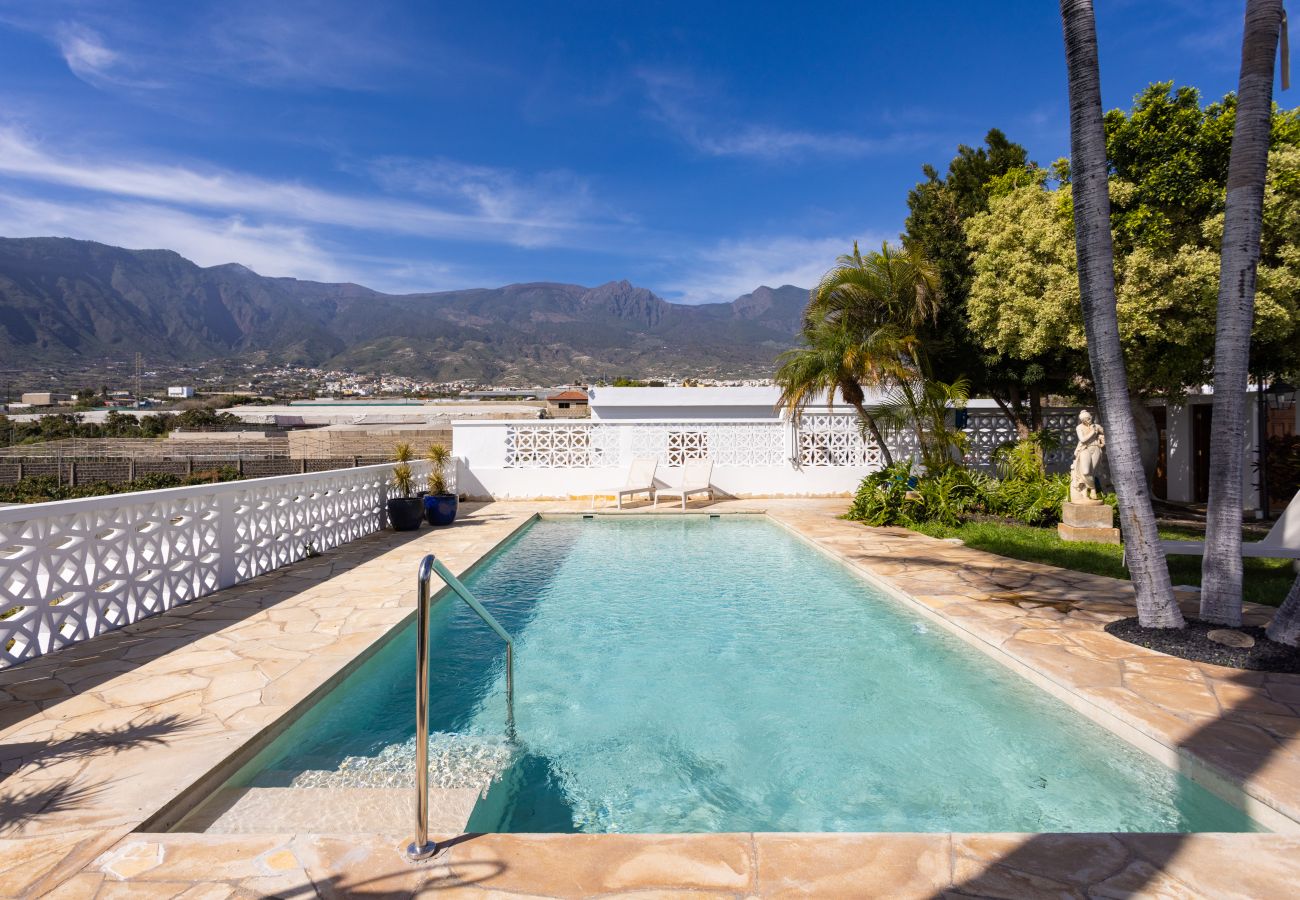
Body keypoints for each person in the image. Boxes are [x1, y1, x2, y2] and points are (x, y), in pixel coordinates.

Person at [1071, 410, 1105, 503]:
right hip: (1084, 449)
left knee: (1092, 473)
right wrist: (1093, 433)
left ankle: (1086, 494)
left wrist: (1102, 439)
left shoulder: (1097, 426)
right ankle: (1093, 489)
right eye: (1086, 419)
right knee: (1086, 472)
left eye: (1089, 418)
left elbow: (1106, 433)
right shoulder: (1079, 427)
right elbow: (1082, 440)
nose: (1089, 420)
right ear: (1082, 420)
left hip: (1096, 448)